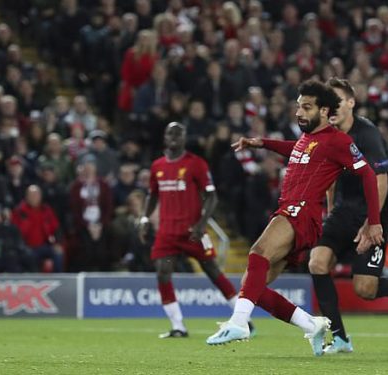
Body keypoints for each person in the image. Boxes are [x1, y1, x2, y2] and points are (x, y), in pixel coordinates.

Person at [207, 80, 384, 356]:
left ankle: (239, 322)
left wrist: (374, 221)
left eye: (306, 107)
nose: (299, 113)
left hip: (300, 212)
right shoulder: (309, 138)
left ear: (324, 110)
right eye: (298, 107)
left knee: (257, 253)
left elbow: (369, 175)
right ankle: (311, 324)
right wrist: (261, 143)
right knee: (252, 285)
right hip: (295, 214)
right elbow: (295, 148)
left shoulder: (339, 140)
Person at [139, 122, 246, 338]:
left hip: (192, 231)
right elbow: (152, 195)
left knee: (213, 271)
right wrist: (144, 218)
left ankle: (244, 319)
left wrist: (201, 224)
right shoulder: (157, 166)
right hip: (167, 232)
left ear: (185, 138)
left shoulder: (196, 164)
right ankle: (178, 326)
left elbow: (212, 196)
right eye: (170, 132)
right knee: (162, 272)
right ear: (165, 137)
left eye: (179, 133)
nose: (174, 137)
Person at [308, 78, 388, 354]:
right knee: (317, 263)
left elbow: (381, 180)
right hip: (344, 211)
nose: (333, 108)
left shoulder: (367, 133)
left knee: (365, 289)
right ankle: (340, 338)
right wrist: (329, 213)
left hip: (373, 211)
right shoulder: (327, 136)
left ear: (351, 103)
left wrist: (372, 223)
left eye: (338, 102)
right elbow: (329, 178)